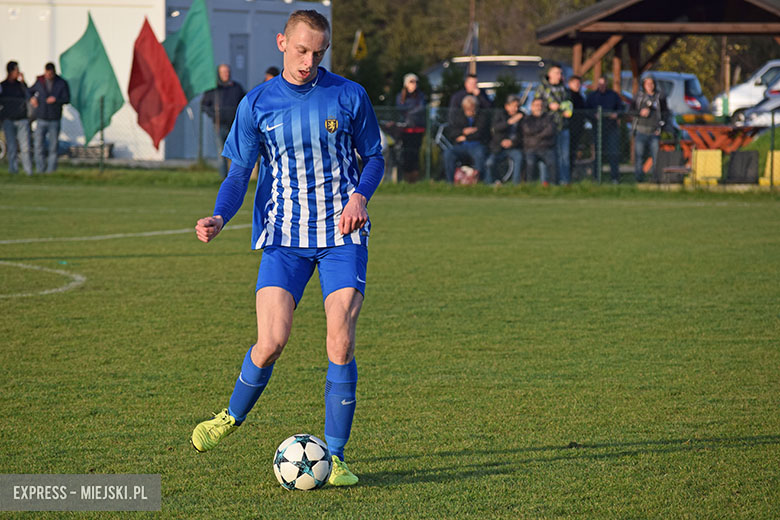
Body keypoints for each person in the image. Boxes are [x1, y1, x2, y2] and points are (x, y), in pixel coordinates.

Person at [190, 10, 383, 489]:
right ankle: (231, 417)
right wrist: (219, 215)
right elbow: (239, 175)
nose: (308, 60)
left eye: (318, 52)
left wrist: (360, 196)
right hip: (284, 238)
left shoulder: (348, 95)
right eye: (301, 50)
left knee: (339, 337)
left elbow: (374, 157)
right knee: (271, 342)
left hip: (341, 235)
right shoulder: (257, 104)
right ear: (282, 42)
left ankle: (334, 458)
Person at [201, 64, 246, 178]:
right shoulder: (214, 89)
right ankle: (223, 178)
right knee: (222, 153)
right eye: (223, 72)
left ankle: (236, 177)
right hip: (219, 125)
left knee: (236, 153)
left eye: (227, 72)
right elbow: (204, 106)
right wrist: (214, 114)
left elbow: (245, 104)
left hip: (234, 126)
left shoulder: (236, 88)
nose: (226, 74)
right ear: (219, 74)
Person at [29, 62, 69, 173]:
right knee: (38, 145)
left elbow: (67, 99)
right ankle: (40, 170)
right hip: (41, 118)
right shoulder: (40, 81)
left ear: (54, 72)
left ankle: (51, 171)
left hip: (54, 119)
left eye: (50, 74)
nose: (48, 76)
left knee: (53, 147)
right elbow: (29, 91)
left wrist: (56, 100)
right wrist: (32, 98)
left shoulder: (61, 83)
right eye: (47, 74)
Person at [534, 65, 572, 184]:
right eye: (556, 73)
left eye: (560, 73)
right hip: (546, 128)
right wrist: (548, 106)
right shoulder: (542, 88)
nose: (559, 76)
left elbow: (568, 103)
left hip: (562, 127)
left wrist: (567, 110)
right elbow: (535, 105)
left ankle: (564, 181)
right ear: (549, 74)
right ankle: (545, 182)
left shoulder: (563, 89)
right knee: (547, 156)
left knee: (564, 156)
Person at [443, 94, 490, 183]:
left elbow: (480, 133)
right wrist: (464, 131)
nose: (469, 111)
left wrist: (464, 137)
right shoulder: (458, 116)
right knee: (448, 153)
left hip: (477, 145)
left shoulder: (482, 116)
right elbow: (453, 133)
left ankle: (480, 181)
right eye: (467, 109)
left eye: (471, 108)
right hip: (461, 147)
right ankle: (450, 183)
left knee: (480, 155)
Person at [586, 77, 625, 183]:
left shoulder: (613, 95)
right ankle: (596, 178)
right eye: (600, 84)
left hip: (612, 128)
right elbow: (586, 111)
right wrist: (594, 116)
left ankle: (614, 178)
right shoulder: (592, 96)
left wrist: (616, 115)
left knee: (613, 153)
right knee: (598, 154)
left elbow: (621, 108)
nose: (602, 86)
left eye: (604, 84)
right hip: (597, 129)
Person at [631, 76, 669, 183]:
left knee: (655, 157)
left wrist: (661, 127)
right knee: (639, 156)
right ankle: (639, 179)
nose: (649, 86)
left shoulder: (659, 97)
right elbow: (630, 111)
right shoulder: (638, 97)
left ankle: (655, 179)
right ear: (643, 85)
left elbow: (666, 114)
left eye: (651, 83)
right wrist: (640, 112)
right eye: (647, 83)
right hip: (641, 131)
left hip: (654, 132)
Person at [0, 61, 33, 175]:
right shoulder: (3, 86)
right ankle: (13, 171)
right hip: (8, 120)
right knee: (12, 147)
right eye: (16, 70)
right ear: (10, 71)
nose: (18, 72)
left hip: (21, 119)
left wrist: (23, 82)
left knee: (25, 148)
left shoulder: (20, 86)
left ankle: (29, 172)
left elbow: (29, 95)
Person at [395, 72, 426, 182]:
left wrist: (409, 111)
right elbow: (400, 108)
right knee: (406, 155)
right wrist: (412, 109)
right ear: (406, 84)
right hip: (405, 130)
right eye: (411, 82)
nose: (414, 84)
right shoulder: (400, 96)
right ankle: (406, 180)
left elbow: (421, 109)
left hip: (417, 129)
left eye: (416, 82)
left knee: (415, 155)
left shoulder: (420, 96)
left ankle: (415, 180)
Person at [485, 94, 523, 184]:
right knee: (489, 163)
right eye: (513, 106)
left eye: (517, 106)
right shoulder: (499, 115)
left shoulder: (522, 116)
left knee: (519, 157)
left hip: (513, 147)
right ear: (507, 106)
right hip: (498, 147)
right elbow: (495, 128)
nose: (516, 109)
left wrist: (512, 142)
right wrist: (509, 122)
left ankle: (515, 184)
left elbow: (522, 135)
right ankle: (490, 184)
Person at [521, 97, 557, 186]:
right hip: (531, 148)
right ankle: (529, 186)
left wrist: (535, 135)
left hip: (546, 147)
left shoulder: (549, 118)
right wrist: (541, 131)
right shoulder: (526, 119)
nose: (539, 107)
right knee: (530, 163)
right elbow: (527, 130)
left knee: (552, 162)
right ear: (531, 107)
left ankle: (554, 186)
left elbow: (550, 131)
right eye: (536, 105)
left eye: (541, 105)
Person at [567, 75, 586, 178]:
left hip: (577, 129)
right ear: (570, 84)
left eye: (579, 84)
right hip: (569, 128)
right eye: (575, 83)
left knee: (573, 153)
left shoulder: (580, 97)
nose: (577, 86)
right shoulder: (568, 95)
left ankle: (570, 174)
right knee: (567, 153)